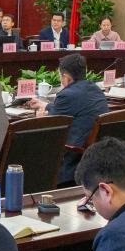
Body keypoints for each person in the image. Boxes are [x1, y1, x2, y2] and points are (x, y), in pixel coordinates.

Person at [29, 52, 109, 184]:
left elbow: (50, 128)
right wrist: (46, 105)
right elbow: (73, 107)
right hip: (96, 156)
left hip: (71, 159)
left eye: (60, 76)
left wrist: (39, 118)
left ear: (66, 77)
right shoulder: (94, 88)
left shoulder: (67, 95)